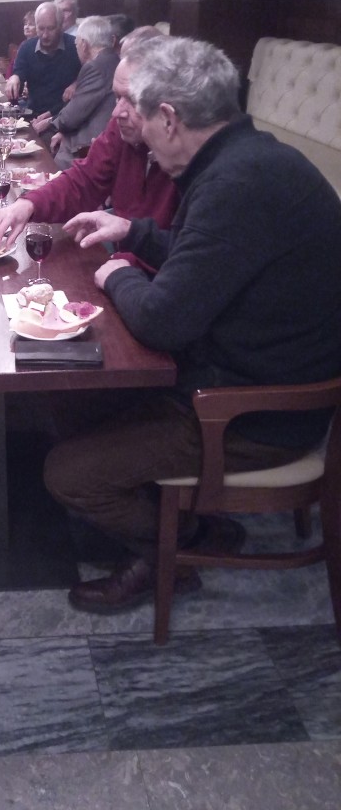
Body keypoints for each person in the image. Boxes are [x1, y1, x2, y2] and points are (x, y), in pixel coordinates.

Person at [40, 35, 341, 615]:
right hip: (238, 375)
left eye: (141, 117)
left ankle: (180, 548)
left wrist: (116, 274)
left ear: (169, 118)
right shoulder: (248, 158)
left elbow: (162, 322)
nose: (142, 137)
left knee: (67, 474)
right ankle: (167, 518)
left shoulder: (236, 184)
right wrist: (133, 232)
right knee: (68, 398)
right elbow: (209, 254)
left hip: (253, 413)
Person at [0, 26, 177, 250]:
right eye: (117, 97)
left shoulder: (188, 154)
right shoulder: (123, 129)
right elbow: (85, 180)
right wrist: (29, 204)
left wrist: (124, 256)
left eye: (132, 100)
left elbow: (186, 254)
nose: (117, 112)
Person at [32, 15, 120, 169]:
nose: (77, 48)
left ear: (84, 45)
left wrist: (49, 123)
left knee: (36, 143)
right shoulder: (113, 60)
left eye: (77, 44)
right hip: (98, 137)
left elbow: (70, 118)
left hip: (86, 147)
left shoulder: (95, 67)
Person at [5, 1, 80, 127]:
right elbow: (19, 72)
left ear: (60, 26)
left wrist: (78, 83)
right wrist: (15, 77)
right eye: (41, 28)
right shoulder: (27, 47)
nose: (45, 35)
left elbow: (91, 72)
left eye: (50, 29)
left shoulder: (75, 45)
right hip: (33, 114)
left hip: (64, 116)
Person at [6, 9, 36, 78]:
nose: (27, 27)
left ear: (38, 27)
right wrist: (8, 79)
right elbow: (12, 65)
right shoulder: (23, 43)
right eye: (25, 24)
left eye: (31, 24)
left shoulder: (37, 46)